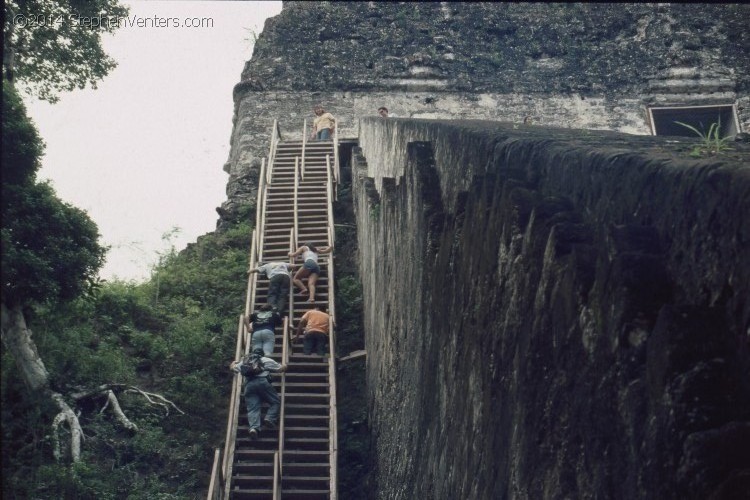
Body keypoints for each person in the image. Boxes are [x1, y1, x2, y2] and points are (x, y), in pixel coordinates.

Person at [230, 348, 288, 440]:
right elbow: (280, 369)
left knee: (253, 408)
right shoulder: (266, 360)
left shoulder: (245, 361)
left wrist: (233, 363)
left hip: (249, 385)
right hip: (262, 382)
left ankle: (254, 428)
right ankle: (269, 418)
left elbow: (233, 368)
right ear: (262, 354)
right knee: (275, 401)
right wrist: (285, 365)